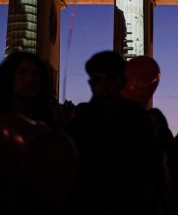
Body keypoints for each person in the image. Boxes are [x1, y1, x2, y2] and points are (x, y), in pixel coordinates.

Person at [67, 51, 164, 215]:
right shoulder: (80, 123)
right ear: (91, 83)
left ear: (122, 82)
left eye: (110, 79)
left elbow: (151, 166)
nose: (105, 86)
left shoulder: (137, 119)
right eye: (99, 80)